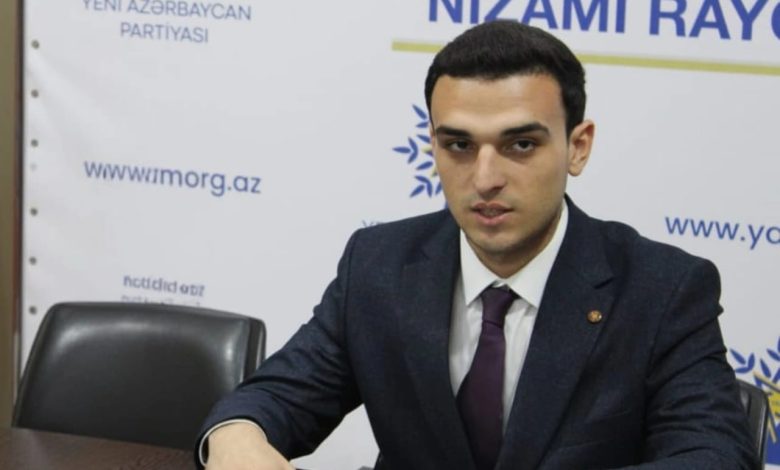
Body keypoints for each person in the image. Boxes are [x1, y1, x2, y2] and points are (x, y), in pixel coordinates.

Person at [198, 20, 756, 470]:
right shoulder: (378, 265)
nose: (485, 178)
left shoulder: (662, 289)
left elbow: (715, 455)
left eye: (520, 144)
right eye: (459, 145)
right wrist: (236, 437)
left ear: (578, 147)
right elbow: (273, 398)